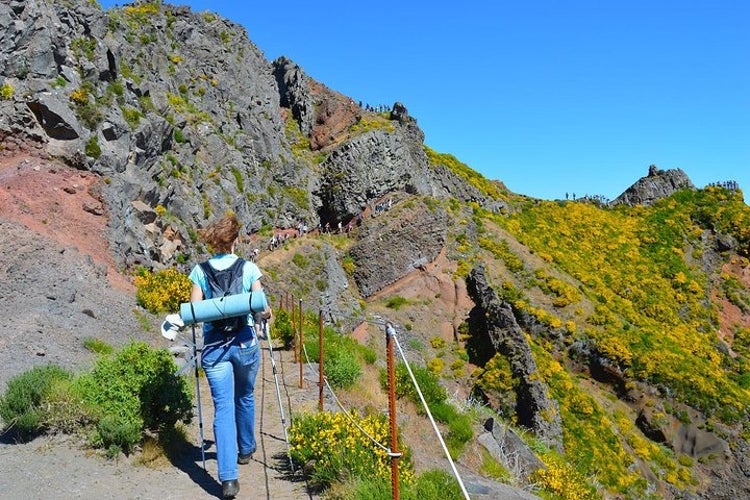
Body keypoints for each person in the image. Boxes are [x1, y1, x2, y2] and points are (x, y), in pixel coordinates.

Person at [188, 213, 272, 499]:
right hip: (245, 342)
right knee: (245, 395)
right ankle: (246, 449)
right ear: (236, 240)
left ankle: (228, 480)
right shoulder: (249, 269)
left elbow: (195, 311)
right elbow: (261, 309)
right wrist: (267, 313)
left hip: (214, 347)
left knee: (223, 407)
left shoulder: (199, 271)